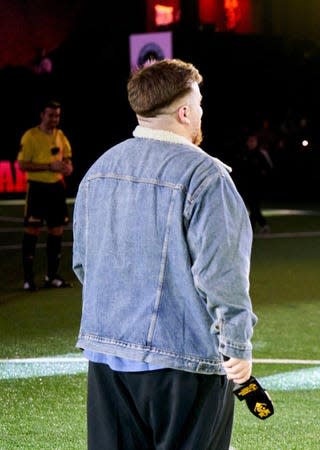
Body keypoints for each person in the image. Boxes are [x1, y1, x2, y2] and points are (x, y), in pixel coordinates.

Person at [72, 59, 257, 449]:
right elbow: (221, 276)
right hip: (184, 364)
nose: (202, 112)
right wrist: (237, 347)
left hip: (108, 359)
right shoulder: (205, 176)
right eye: (200, 103)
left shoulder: (99, 170)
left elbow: (84, 264)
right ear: (184, 112)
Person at [17, 100, 73, 291]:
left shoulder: (60, 135)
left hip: (55, 188)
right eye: (50, 115)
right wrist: (48, 166)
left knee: (56, 231)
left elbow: (66, 156)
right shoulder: (30, 136)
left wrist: (67, 166)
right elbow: (23, 164)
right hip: (37, 188)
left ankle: (52, 276)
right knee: (32, 231)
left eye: (57, 115)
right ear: (42, 115)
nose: (54, 119)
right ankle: (28, 279)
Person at [232, 130, 273, 233]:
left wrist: (263, 178)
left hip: (258, 186)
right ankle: (261, 226)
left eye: (253, 141)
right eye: (250, 141)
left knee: (254, 207)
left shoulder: (261, 154)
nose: (251, 143)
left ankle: (252, 228)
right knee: (251, 207)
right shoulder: (243, 154)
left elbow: (269, 168)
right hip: (246, 186)